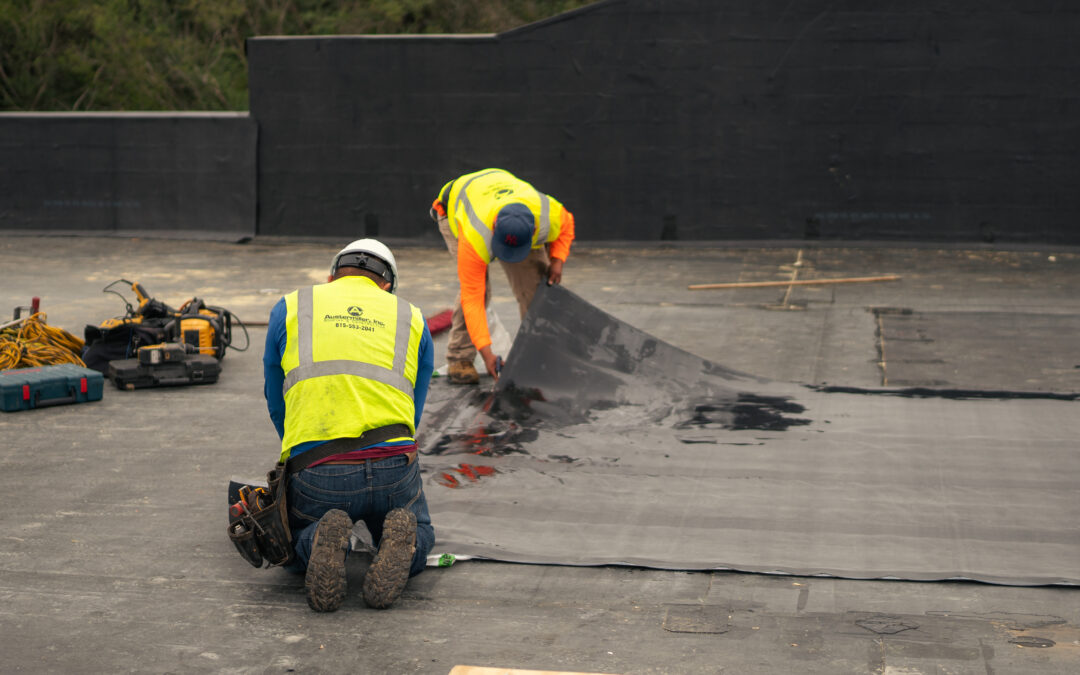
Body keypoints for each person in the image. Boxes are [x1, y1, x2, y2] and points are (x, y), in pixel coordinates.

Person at [262, 238, 435, 612]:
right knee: (418, 529)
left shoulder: (292, 306)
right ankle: (404, 543)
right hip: (394, 465)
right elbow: (413, 413)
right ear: (387, 285)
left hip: (319, 468)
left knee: (288, 546)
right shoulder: (412, 316)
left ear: (331, 277)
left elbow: (277, 402)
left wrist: (300, 451)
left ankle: (318, 538)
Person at [430, 168, 575, 384]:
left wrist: (557, 260)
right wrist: (487, 354)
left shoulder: (549, 215)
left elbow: (567, 226)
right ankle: (459, 357)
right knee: (480, 291)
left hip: (502, 198)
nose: (510, 258)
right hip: (454, 208)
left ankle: (539, 351)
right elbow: (473, 299)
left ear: (535, 229)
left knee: (537, 285)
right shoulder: (476, 234)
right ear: (495, 228)